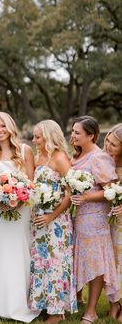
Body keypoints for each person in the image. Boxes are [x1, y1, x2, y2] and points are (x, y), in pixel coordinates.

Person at [0, 111, 39, 323]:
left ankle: (20, 301)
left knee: (19, 249)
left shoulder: (25, 150)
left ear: (10, 126)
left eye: (2, 125)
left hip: (22, 210)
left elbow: (31, 184)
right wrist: (0, 201)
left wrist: (19, 201)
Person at [70, 116, 119, 323]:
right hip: (77, 217)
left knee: (96, 264)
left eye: (77, 132)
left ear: (91, 135)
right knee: (79, 260)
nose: (73, 135)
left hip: (94, 219)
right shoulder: (79, 155)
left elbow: (111, 192)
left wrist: (87, 196)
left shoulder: (99, 158)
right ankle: (77, 299)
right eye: (72, 131)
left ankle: (91, 311)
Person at [29, 120, 77, 323]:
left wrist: (52, 215)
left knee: (56, 262)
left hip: (57, 221)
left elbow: (70, 193)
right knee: (41, 262)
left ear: (48, 137)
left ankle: (57, 311)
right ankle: (43, 304)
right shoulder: (39, 157)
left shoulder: (60, 158)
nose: (34, 140)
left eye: (37, 137)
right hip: (39, 219)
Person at [104, 123, 122, 321]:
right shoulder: (105, 159)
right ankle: (113, 303)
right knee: (112, 262)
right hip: (109, 219)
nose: (108, 146)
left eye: (114, 145)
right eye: (107, 141)